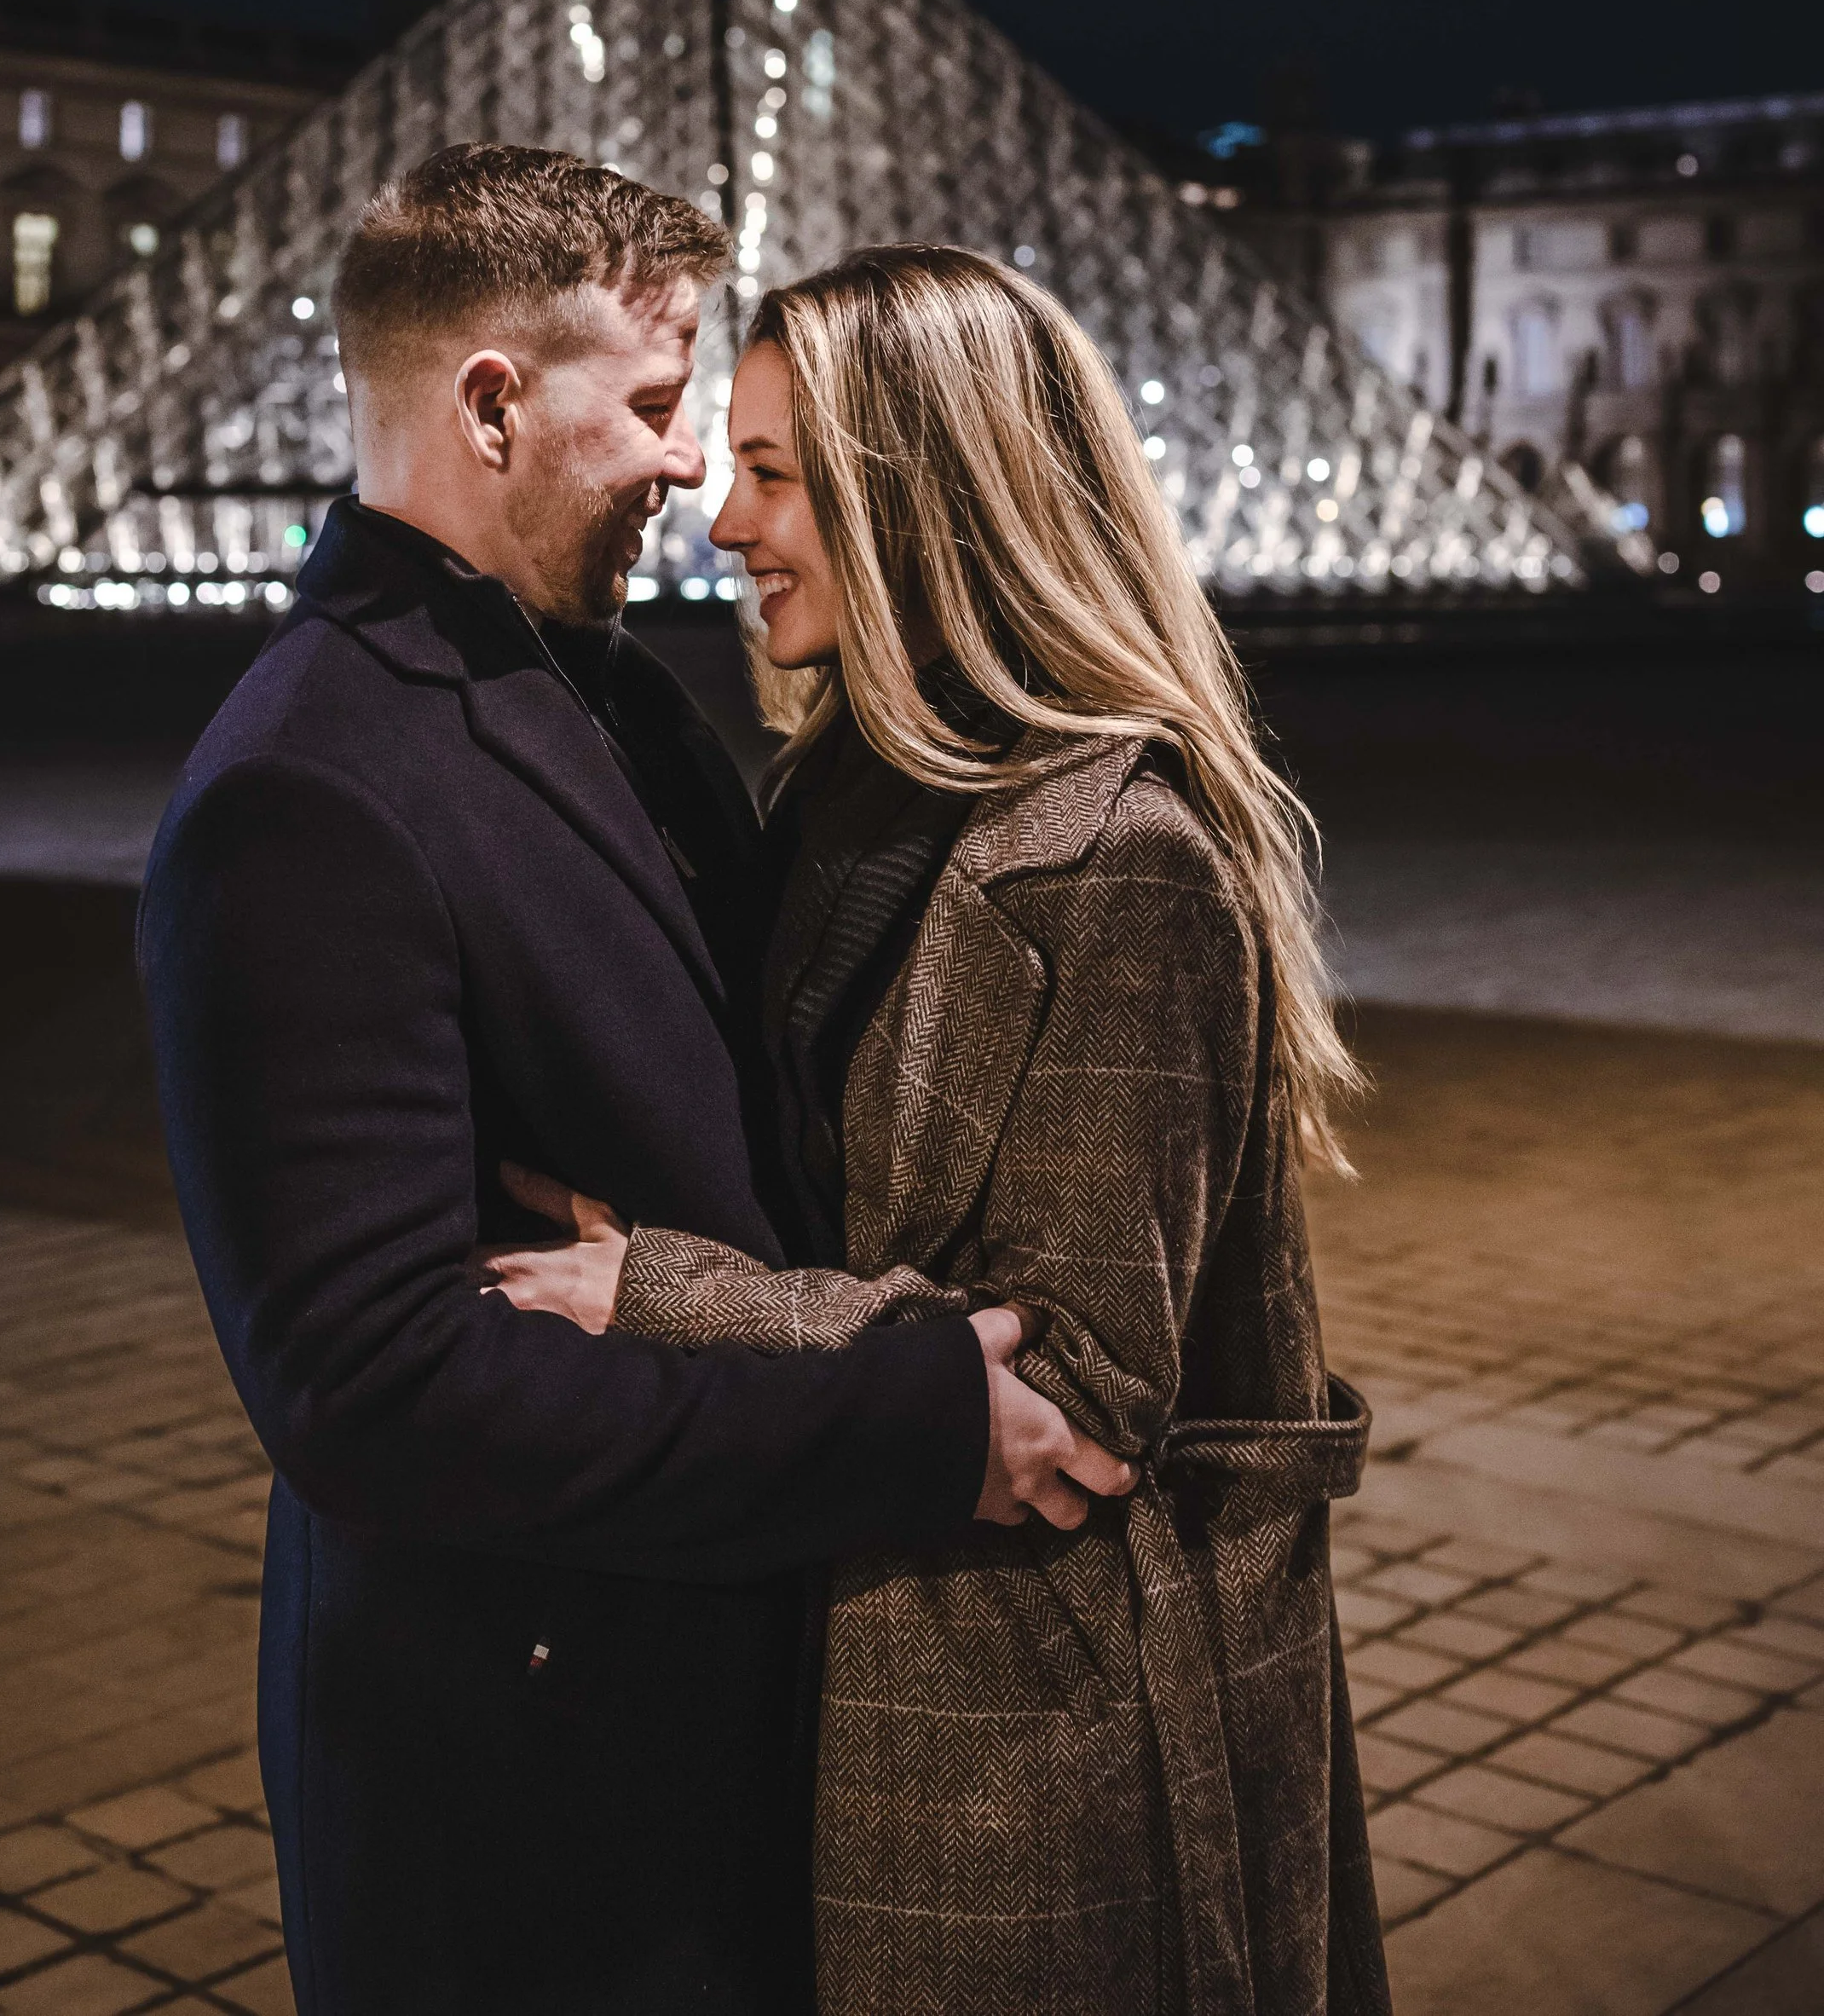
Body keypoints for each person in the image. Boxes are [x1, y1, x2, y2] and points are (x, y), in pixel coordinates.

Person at [138, 153, 1124, 2016]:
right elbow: (376, 1389)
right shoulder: (304, 792)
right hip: (532, 1796)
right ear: (495, 404)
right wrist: (903, 1429)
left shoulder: (618, 697)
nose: (692, 471)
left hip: (691, 1705)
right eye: (663, 408)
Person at [488, 245, 1393, 2016]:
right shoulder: (841, 796)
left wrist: (651, 1291)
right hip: (874, 1625)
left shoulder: (1117, 865)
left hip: (1030, 1712)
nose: (720, 523)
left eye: (769, 474)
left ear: (925, 496)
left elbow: (1074, 1395)